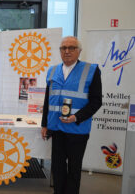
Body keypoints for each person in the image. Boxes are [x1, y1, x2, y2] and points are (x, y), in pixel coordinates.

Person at [41, 36, 102, 194]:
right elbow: (48, 100)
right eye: (63, 48)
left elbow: (96, 102)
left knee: (74, 171)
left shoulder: (91, 70)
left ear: (79, 51)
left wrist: (77, 117)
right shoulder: (52, 70)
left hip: (78, 130)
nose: (67, 51)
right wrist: (44, 124)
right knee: (57, 168)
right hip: (56, 129)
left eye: (71, 48)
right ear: (60, 51)